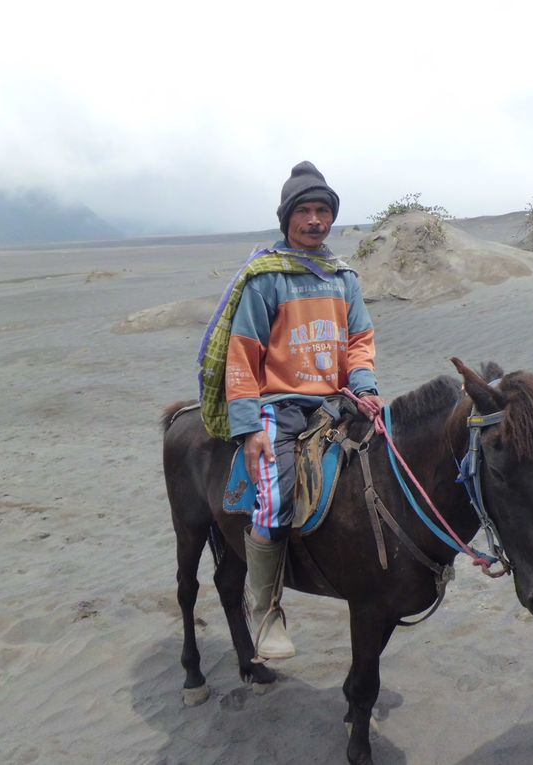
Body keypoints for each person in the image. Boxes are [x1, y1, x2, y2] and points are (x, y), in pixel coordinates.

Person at [198, 161, 385, 660]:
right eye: (304, 209)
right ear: (287, 219)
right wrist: (247, 429)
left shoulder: (343, 277)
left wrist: (364, 385)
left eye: (323, 210)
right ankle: (265, 610)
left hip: (333, 400)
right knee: (276, 495)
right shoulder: (267, 279)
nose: (314, 219)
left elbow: (360, 340)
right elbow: (244, 353)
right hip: (276, 405)